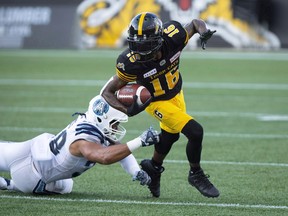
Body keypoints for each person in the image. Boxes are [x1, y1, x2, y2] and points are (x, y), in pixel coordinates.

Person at [101, 12, 219, 198]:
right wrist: (127, 110)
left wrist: (203, 31)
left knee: (170, 136)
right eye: (136, 43)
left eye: (145, 44)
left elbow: (196, 23)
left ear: (158, 38)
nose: (139, 50)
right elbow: (107, 92)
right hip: (156, 102)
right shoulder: (130, 63)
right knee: (195, 132)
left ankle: (154, 167)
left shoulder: (174, 37)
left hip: (176, 93)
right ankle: (195, 174)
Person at [0, 95, 159, 195]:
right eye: (114, 123)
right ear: (102, 120)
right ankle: (10, 184)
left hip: (35, 151)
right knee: (65, 186)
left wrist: (135, 171)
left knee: (66, 186)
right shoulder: (84, 140)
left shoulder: (91, 120)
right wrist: (140, 141)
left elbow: (119, 151)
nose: (116, 127)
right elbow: (103, 156)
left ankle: (7, 184)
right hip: (31, 175)